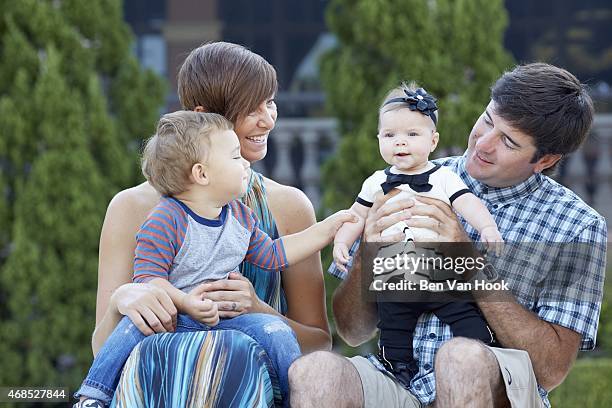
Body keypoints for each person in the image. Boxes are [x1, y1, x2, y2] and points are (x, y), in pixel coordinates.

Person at [289, 63, 606, 408]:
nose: (482, 144)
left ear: (544, 160)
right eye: (487, 120)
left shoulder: (578, 225)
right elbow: (353, 331)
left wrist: (466, 258)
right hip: (397, 379)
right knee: (315, 371)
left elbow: (550, 370)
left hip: (491, 383)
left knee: (459, 358)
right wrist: (369, 251)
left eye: (508, 141)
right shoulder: (410, 177)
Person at [91, 42, 333, 407]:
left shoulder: (288, 206)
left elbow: (319, 343)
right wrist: (120, 302)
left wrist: (256, 308)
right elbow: (103, 350)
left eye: (270, 102)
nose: (268, 119)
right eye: (252, 109)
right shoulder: (131, 207)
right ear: (207, 116)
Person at [332, 83, 502, 385]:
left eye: (412, 135)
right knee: (394, 324)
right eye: (390, 136)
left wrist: (486, 227)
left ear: (433, 140)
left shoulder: (444, 177)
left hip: (439, 269)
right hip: (396, 273)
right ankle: (398, 364)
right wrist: (342, 242)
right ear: (379, 140)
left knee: (462, 311)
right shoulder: (375, 182)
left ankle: (482, 347)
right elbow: (356, 216)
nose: (400, 143)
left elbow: (468, 203)